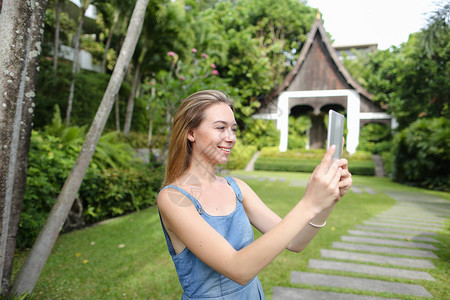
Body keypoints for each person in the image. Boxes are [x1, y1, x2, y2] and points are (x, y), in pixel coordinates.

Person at [157, 90, 352, 299]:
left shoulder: (237, 188)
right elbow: (238, 269)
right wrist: (309, 203)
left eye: (233, 129)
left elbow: (296, 242)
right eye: (220, 128)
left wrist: (328, 200)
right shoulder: (173, 198)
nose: (231, 138)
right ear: (191, 133)